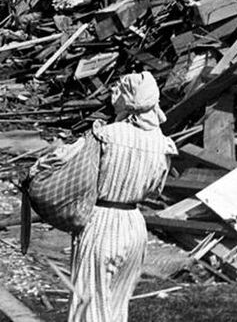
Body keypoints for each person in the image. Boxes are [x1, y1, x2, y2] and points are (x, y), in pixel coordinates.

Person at [68, 71, 176, 322]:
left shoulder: (106, 135)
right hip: (134, 225)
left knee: (89, 305)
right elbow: (155, 190)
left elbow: (79, 174)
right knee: (117, 306)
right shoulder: (163, 144)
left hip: (102, 221)